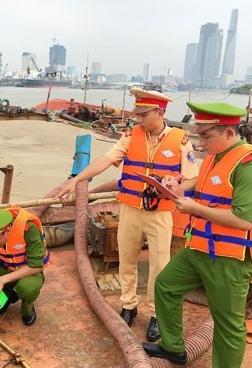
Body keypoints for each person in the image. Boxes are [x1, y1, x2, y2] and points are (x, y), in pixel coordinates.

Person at [142, 102, 252, 368]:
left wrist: (193, 208)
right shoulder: (217, 156)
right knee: (166, 285)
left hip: (230, 258)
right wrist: (179, 187)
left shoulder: (251, 167)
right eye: (199, 136)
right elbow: (205, 189)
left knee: (228, 323)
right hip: (200, 247)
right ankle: (174, 347)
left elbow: (244, 219)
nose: (201, 143)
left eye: (207, 136)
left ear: (230, 132)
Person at [55, 88, 199, 341]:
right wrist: (75, 181)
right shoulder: (131, 136)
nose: (138, 119)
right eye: (136, 114)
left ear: (160, 112)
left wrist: (176, 187)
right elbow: (106, 160)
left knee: (159, 266)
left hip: (160, 213)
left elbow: (192, 177)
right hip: (130, 209)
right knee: (127, 259)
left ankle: (156, 314)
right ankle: (129, 305)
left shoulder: (180, 140)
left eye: (143, 114)